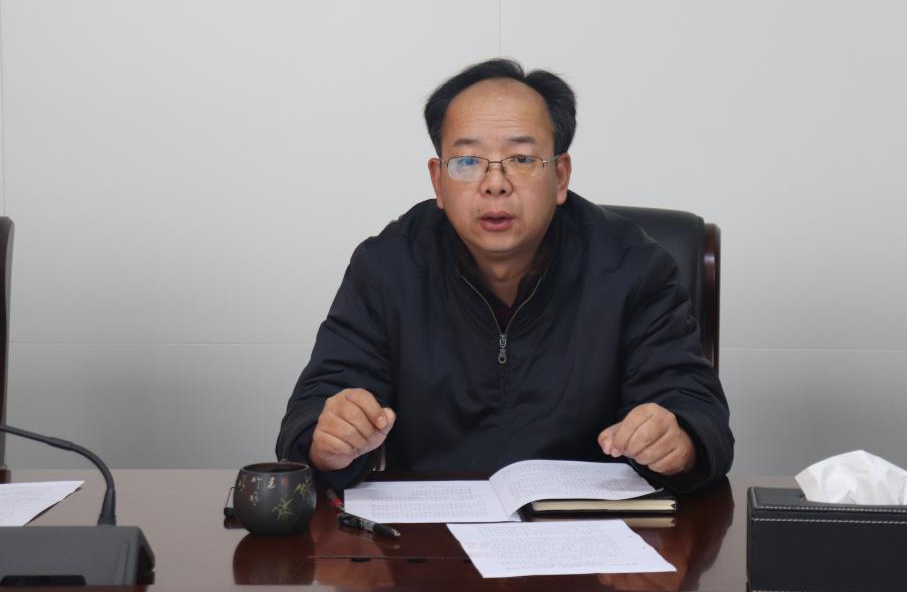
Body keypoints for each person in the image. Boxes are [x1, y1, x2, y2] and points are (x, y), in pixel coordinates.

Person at [276, 58, 733, 494]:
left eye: (521, 159)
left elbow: (694, 409)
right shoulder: (388, 267)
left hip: (588, 531)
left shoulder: (633, 268)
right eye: (467, 161)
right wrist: (329, 439)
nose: (495, 183)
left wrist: (678, 440)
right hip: (429, 534)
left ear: (560, 176)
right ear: (438, 181)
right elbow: (315, 408)